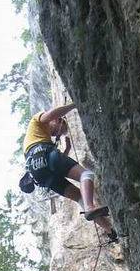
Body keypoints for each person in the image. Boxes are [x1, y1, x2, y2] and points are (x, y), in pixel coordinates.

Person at [22, 103, 118, 243]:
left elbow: (57, 167)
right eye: (58, 130)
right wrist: (74, 105)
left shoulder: (33, 139)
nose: (56, 134)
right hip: (45, 154)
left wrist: (67, 149)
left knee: (80, 197)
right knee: (86, 175)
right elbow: (51, 115)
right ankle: (90, 207)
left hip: (39, 173)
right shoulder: (37, 121)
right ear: (56, 121)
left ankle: (110, 231)